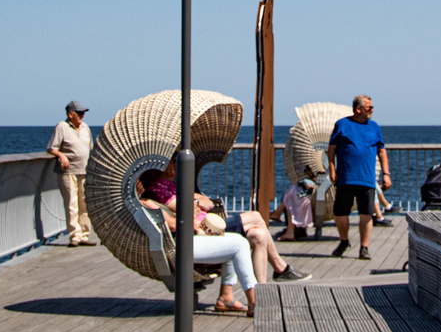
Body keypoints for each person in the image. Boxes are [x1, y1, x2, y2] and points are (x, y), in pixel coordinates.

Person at [141, 161, 310, 283]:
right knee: (256, 217)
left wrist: (196, 202)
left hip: (206, 226)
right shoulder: (157, 188)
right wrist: (195, 203)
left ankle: (262, 290)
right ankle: (280, 268)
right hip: (203, 231)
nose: (175, 165)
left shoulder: (170, 185)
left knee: (258, 234)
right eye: (172, 162)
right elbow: (188, 207)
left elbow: (206, 203)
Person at [139, 190, 258, 315]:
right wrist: (189, 219)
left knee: (234, 241)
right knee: (239, 244)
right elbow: (172, 224)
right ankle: (254, 302)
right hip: (177, 245)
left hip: (183, 240)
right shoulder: (145, 204)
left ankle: (226, 296)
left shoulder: (149, 202)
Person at [325, 94, 391, 260]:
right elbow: (331, 149)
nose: (372, 110)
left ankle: (364, 247)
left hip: (367, 177)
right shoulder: (342, 124)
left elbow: (382, 151)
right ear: (358, 109)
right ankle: (344, 240)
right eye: (369, 107)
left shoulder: (374, 127)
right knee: (340, 212)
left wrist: (386, 173)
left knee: (366, 214)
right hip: (346, 177)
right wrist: (332, 169)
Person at [49, 102, 95, 245]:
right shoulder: (62, 127)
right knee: (72, 204)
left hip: (84, 171)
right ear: (71, 114)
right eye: (80, 113)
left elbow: (90, 148)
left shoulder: (85, 128)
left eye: (83, 113)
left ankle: (85, 235)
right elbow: (51, 147)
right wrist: (61, 156)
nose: (83, 116)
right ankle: (75, 236)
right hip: (68, 172)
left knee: (85, 204)